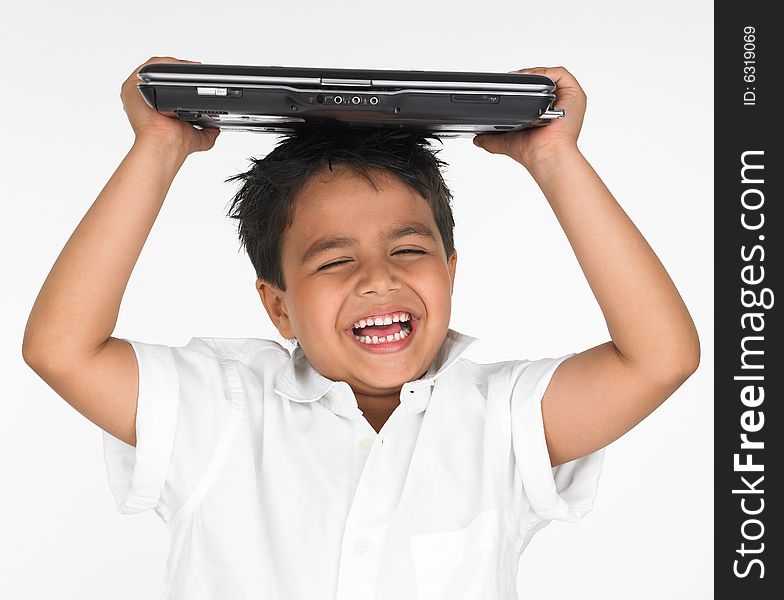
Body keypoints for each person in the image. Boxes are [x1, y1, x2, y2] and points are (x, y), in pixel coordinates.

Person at [22, 56, 700, 599]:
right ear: (278, 305)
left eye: (409, 250)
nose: (379, 278)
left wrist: (555, 159)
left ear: (451, 271)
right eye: (336, 259)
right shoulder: (219, 411)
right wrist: (159, 148)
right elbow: (62, 349)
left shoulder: (500, 419)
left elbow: (659, 358)